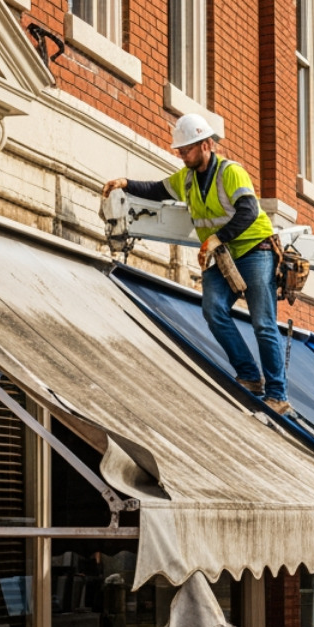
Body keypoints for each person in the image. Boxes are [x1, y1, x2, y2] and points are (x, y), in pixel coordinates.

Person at [103, 114, 290, 415]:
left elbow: (249, 210)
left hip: (256, 250)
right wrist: (124, 183)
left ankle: (277, 395)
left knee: (263, 324)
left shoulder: (231, 172)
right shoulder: (186, 179)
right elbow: (157, 190)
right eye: (180, 150)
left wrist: (218, 237)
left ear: (205, 145)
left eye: (186, 150)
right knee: (212, 309)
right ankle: (251, 377)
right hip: (222, 254)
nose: (181, 155)